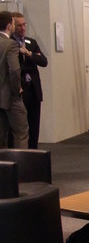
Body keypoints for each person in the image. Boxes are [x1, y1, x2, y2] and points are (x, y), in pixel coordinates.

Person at [11, 12, 48, 149]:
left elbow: (43, 61)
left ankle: (34, 154)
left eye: (24, 25)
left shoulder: (31, 42)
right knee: (20, 128)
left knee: (34, 127)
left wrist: (29, 53)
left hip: (34, 90)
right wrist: (31, 60)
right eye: (19, 25)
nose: (23, 28)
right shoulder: (9, 43)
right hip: (20, 90)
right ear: (12, 26)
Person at [0, 11, 28, 149]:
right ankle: (20, 162)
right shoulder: (10, 45)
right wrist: (17, 90)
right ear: (9, 26)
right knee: (21, 134)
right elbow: (14, 70)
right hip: (10, 97)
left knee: (1, 137)